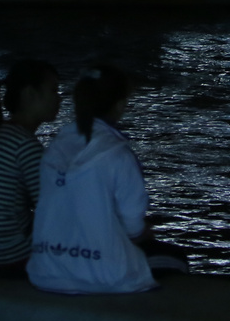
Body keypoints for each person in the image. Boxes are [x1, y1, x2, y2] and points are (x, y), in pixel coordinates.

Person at [28, 65, 184, 295]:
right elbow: (133, 225)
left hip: (46, 270)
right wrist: (143, 233)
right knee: (176, 258)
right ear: (120, 105)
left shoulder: (56, 148)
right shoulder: (117, 153)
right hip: (103, 274)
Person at [0, 60, 61, 276]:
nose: (59, 98)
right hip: (13, 256)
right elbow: (49, 209)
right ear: (29, 94)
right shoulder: (25, 145)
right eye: (54, 90)